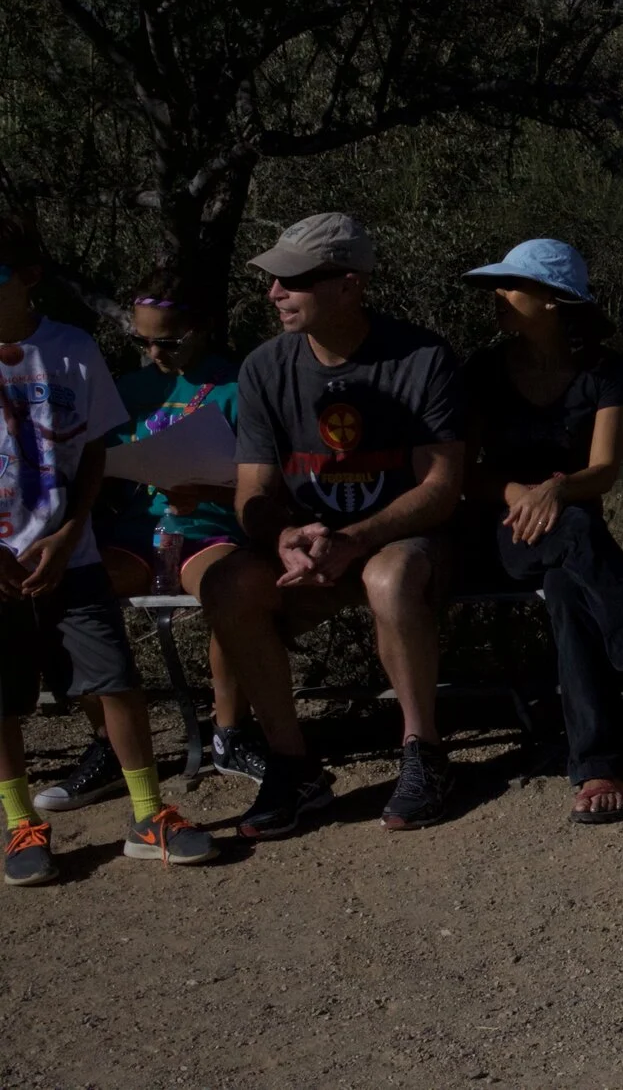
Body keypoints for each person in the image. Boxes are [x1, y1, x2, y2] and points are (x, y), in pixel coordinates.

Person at [203, 212, 466, 838]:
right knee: (225, 584)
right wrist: (280, 537)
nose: (274, 293)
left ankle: (423, 753)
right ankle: (294, 768)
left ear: (349, 285)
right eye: (273, 280)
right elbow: (254, 490)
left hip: (396, 541)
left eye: (292, 280)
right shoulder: (265, 367)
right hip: (307, 547)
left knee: (391, 578)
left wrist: (356, 540)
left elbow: (441, 486)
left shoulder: (423, 358)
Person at [457, 239, 623, 825]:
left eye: (511, 286)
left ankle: (598, 768)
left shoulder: (605, 372)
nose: (498, 297)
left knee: (570, 589)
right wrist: (523, 495)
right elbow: (468, 471)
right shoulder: (482, 371)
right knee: (575, 535)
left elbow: (602, 471)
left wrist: (555, 488)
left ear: (551, 301)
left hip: (573, 534)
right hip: (502, 532)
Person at [0, 211, 214, 883]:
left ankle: (148, 813)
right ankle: (18, 825)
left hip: (73, 553)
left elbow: (94, 448)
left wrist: (70, 532)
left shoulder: (71, 348)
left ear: (29, 278)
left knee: (116, 681)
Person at [40, 272, 260, 817]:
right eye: (143, 341)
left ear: (203, 328)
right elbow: (98, 464)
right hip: (138, 531)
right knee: (69, 591)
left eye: (168, 340)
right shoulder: (127, 389)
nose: (155, 352)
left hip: (210, 526)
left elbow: (260, 478)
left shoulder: (239, 386)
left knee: (231, 588)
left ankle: (230, 730)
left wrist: (206, 489)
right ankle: (110, 745)